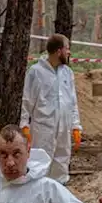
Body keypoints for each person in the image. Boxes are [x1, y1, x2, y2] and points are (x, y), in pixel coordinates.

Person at [20, 33, 81, 182]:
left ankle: (58, 195)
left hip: (64, 128)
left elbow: (72, 101)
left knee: (61, 164)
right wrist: (24, 125)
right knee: (39, 164)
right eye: (67, 48)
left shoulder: (67, 73)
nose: (69, 52)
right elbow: (27, 100)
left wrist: (75, 126)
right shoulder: (36, 72)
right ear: (59, 51)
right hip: (43, 129)